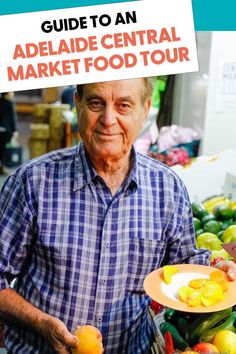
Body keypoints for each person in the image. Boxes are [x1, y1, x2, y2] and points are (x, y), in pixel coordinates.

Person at [0, 78, 235, 354]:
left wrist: (218, 277)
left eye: (124, 105)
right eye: (96, 103)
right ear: (78, 104)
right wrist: (41, 323)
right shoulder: (32, 183)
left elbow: (182, 270)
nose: (108, 119)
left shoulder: (168, 190)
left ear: (144, 109)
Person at [0, 92, 18, 175]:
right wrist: (15, 130)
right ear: (7, 94)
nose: (12, 94)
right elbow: (13, 118)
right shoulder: (10, 103)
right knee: (3, 150)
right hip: (7, 131)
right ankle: (2, 167)